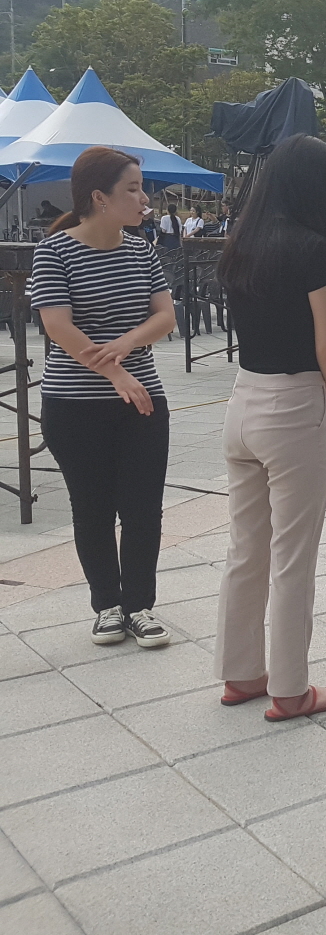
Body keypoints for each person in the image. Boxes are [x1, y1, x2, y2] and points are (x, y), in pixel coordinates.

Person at [213, 134, 326, 721]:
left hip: (242, 400)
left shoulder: (241, 242)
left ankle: (241, 673)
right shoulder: (313, 250)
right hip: (292, 405)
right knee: (293, 556)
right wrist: (324, 401)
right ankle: (291, 688)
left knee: (246, 549)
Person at [30, 147, 176, 648]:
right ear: (100, 197)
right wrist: (115, 374)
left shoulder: (142, 250)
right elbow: (58, 326)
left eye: (142, 189)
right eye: (133, 189)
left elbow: (165, 316)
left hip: (143, 400)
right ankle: (107, 605)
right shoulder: (54, 252)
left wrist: (126, 345)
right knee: (91, 507)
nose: (144, 199)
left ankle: (140, 606)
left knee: (143, 508)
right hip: (73, 404)